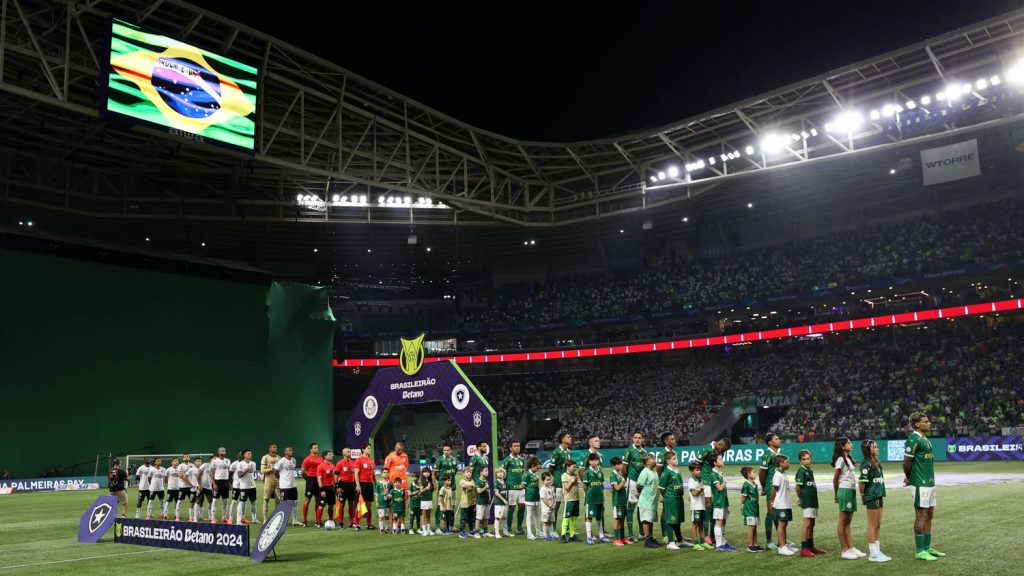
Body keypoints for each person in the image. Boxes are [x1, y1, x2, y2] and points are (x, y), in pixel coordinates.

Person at [904, 412, 944, 561]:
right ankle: (919, 550)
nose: (929, 423)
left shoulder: (925, 439)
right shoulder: (913, 439)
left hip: (930, 482)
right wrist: (909, 478)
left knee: (929, 515)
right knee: (921, 515)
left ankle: (928, 548)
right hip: (920, 484)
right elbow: (906, 461)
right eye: (926, 421)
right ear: (917, 424)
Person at [696, 437, 731, 546]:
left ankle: (713, 535)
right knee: (708, 507)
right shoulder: (706, 449)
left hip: (715, 481)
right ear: (720, 444)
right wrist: (700, 482)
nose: (723, 452)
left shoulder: (720, 451)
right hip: (706, 481)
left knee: (715, 508)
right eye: (723, 450)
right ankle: (706, 536)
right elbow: (697, 465)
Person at [833, 437, 864, 559]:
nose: (851, 444)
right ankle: (844, 550)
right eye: (849, 443)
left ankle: (851, 547)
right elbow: (835, 479)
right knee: (843, 520)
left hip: (850, 490)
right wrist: (836, 494)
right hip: (844, 490)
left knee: (848, 521)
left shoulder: (847, 458)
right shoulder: (840, 459)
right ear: (842, 446)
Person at [860, 440, 891, 562]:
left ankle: (877, 551)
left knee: (878, 524)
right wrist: (863, 496)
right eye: (875, 447)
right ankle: (873, 553)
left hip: (879, 495)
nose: (877, 448)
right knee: (872, 524)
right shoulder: (866, 464)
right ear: (869, 449)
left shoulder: (876, 462)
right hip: (872, 496)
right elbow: (862, 483)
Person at [794, 449, 826, 556]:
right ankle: (804, 548)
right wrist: (800, 498)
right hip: (807, 500)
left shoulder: (809, 471)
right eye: (804, 459)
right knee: (807, 523)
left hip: (813, 500)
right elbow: (798, 486)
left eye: (808, 459)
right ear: (800, 462)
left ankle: (810, 545)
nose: (807, 461)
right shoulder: (801, 471)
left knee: (812, 523)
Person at [621, 431, 648, 543]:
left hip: (642, 483)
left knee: (641, 507)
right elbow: (624, 467)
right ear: (632, 439)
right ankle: (631, 534)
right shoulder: (629, 451)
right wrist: (626, 479)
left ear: (643, 440)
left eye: (639, 438)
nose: (637, 439)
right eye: (635, 437)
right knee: (631, 507)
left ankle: (642, 533)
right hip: (632, 481)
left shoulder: (644, 452)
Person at [759, 433, 783, 550]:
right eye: (776, 439)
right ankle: (769, 541)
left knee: (778, 512)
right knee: (770, 512)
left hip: (778, 485)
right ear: (769, 442)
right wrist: (764, 487)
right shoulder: (767, 454)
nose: (779, 440)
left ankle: (781, 538)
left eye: (778, 438)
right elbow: (762, 473)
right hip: (770, 486)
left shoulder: (777, 453)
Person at [657, 451, 684, 550]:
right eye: (674, 459)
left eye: (676, 458)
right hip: (671, 499)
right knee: (670, 520)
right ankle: (670, 542)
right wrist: (665, 497)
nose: (676, 460)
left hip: (679, 498)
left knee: (677, 520)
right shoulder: (666, 472)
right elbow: (661, 487)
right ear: (668, 461)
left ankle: (680, 540)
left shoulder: (678, 470)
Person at [655, 432, 678, 544]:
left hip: (673, 486)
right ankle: (665, 534)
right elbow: (658, 469)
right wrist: (662, 483)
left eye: (674, 438)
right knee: (665, 510)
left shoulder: (673, 452)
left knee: (672, 510)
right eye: (672, 439)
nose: (674, 440)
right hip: (666, 486)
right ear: (666, 441)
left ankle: (673, 533)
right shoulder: (662, 454)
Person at [500, 440, 526, 536]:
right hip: (511, 487)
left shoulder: (522, 460)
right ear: (511, 448)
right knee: (512, 507)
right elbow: (502, 473)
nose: (517, 447)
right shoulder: (507, 460)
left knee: (522, 506)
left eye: (518, 446)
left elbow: (522, 472)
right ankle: (509, 528)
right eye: (515, 446)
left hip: (521, 487)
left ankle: (519, 528)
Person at [710, 453, 735, 551]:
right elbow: (719, 488)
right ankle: (719, 545)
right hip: (718, 502)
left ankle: (724, 542)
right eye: (720, 459)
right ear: (715, 463)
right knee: (719, 521)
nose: (722, 461)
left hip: (724, 501)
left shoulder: (719, 473)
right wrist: (724, 481)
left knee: (723, 521)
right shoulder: (713, 474)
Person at [771, 455, 795, 556]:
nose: (788, 463)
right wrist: (772, 501)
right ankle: (782, 547)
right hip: (781, 504)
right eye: (787, 462)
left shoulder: (783, 473)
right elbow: (774, 489)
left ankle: (784, 544)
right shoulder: (777, 475)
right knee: (781, 525)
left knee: (784, 524)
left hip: (785, 503)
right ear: (781, 463)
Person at [582, 452, 608, 545]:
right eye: (592, 460)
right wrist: (587, 495)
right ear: (589, 462)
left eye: (595, 460)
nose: (594, 462)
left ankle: (601, 536)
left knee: (599, 517)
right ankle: (589, 537)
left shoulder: (600, 472)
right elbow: (585, 485)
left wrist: (603, 499)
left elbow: (602, 486)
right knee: (589, 517)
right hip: (591, 499)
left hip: (599, 499)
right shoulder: (587, 472)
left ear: (598, 461)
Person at [273, 446, 302, 526]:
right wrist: (281, 478)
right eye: (290, 450)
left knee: (295, 502)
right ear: (285, 452)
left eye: (292, 450)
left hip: (293, 485)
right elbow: (276, 472)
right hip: (284, 486)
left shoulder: (294, 460)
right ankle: (282, 521)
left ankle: (295, 520)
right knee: (283, 503)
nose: (291, 451)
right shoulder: (281, 461)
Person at [636, 454, 660, 548]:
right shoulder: (644, 472)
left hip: (652, 501)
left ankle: (651, 538)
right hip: (646, 501)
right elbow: (639, 485)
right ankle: (647, 540)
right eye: (652, 459)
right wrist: (641, 494)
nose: (655, 460)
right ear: (647, 462)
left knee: (650, 520)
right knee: (646, 520)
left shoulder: (654, 471)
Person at [433, 444, 459, 529]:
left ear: (451, 451)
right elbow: (436, 474)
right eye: (444, 450)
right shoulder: (439, 460)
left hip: (453, 486)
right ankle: (437, 527)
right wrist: (442, 482)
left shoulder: (455, 460)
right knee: (440, 506)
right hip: (442, 487)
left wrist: (450, 482)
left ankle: (451, 525)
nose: (446, 452)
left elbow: (455, 471)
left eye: (448, 450)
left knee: (452, 506)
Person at [548, 433, 572, 524]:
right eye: (568, 437)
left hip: (568, 482)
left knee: (568, 504)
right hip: (559, 483)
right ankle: (553, 528)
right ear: (562, 440)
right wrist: (558, 477)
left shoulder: (569, 452)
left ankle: (568, 527)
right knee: (557, 505)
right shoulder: (556, 452)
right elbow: (551, 468)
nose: (570, 438)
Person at [739, 466, 762, 553]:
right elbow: (743, 497)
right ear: (748, 474)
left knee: (755, 526)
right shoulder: (746, 485)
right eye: (753, 472)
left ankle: (755, 545)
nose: (755, 473)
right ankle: (750, 545)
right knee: (751, 527)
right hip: (749, 510)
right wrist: (742, 505)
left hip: (755, 509)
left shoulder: (754, 484)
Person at [687, 462, 709, 550]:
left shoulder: (700, 479)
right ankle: (695, 543)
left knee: (701, 524)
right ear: (692, 471)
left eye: (699, 470)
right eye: (696, 470)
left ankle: (703, 542)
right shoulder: (691, 481)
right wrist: (700, 490)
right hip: (696, 506)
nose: (699, 471)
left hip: (701, 505)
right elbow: (694, 493)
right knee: (695, 524)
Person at [334, 447, 358, 529]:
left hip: (351, 485)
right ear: (344, 453)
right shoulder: (340, 463)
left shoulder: (353, 462)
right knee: (341, 504)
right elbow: (336, 475)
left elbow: (355, 474)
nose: (350, 452)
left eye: (350, 451)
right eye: (348, 451)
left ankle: (352, 522)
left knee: (351, 504)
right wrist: (337, 486)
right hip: (343, 485)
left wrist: (355, 484)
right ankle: (341, 522)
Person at [354, 444, 376, 529]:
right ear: (363, 449)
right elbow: (356, 473)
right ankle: (357, 524)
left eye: (370, 448)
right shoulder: (359, 460)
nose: (370, 450)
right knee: (360, 504)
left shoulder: (371, 460)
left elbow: (373, 474)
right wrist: (358, 485)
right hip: (362, 484)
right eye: (368, 448)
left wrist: (375, 483)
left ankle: (369, 524)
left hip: (369, 484)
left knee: (369, 505)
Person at [300, 443, 323, 527]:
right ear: (311, 450)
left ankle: (317, 520)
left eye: (317, 447)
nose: (317, 449)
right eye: (315, 448)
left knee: (318, 500)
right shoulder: (307, 459)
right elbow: (303, 471)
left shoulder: (321, 458)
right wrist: (308, 479)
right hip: (311, 480)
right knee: (307, 500)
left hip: (319, 480)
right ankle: (304, 520)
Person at [609, 456, 628, 546]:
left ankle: (622, 538)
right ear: (613, 465)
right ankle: (616, 539)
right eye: (618, 464)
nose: (620, 466)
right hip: (617, 502)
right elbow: (616, 488)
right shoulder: (613, 475)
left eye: (620, 464)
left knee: (622, 519)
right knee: (617, 519)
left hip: (623, 500)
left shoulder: (620, 474)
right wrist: (623, 482)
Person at [560, 460, 581, 542]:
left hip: (576, 499)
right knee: (566, 518)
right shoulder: (564, 476)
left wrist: (575, 480)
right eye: (573, 467)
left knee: (573, 519)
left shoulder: (575, 475)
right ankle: (563, 535)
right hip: (569, 500)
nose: (575, 468)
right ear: (568, 467)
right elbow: (567, 487)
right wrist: (572, 481)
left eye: (575, 467)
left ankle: (572, 536)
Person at [210, 447, 232, 523]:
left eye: (224, 450)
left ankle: (224, 517)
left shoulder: (228, 460)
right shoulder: (215, 461)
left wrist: (229, 483)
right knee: (215, 500)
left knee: (225, 501)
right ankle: (212, 518)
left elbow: (228, 473)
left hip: (225, 482)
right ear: (219, 452)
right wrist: (214, 484)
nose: (224, 451)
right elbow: (211, 473)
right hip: (217, 482)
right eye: (222, 450)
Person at [260, 444, 281, 524]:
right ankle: (265, 519)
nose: (276, 448)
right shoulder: (265, 457)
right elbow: (262, 470)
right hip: (268, 481)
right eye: (274, 447)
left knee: (278, 501)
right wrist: (272, 468)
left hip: (277, 482)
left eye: (276, 447)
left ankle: (276, 518)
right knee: (266, 500)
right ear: (270, 449)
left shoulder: (279, 457)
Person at [315, 450, 336, 529]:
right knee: (321, 505)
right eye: (330, 455)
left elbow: (334, 477)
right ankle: (318, 522)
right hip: (324, 488)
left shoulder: (332, 465)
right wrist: (322, 490)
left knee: (331, 506)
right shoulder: (321, 466)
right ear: (325, 456)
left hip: (331, 488)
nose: (332, 456)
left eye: (332, 454)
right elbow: (319, 479)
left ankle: (331, 521)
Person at [236, 450, 257, 525]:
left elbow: (252, 472)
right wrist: (247, 470)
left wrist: (249, 469)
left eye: (251, 453)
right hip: (244, 487)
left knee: (253, 503)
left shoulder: (253, 463)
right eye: (248, 453)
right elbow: (239, 475)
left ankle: (254, 519)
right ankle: (238, 520)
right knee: (242, 502)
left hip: (252, 486)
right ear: (244, 455)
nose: (250, 454)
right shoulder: (240, 464)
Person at [524, 456, 543, 540]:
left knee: (536, 514)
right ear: (532, 466)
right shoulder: (526, 474)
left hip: (536, 496)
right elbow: (523, 486)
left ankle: (538, 532)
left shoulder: (536, 473)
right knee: (529, 515)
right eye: (537, 468)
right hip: (529, 497)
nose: (537, 470)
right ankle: (529, 533)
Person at [457, 467, 476, 538]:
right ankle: (461, 532)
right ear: (463, 473)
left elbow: (474, 489)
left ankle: (471, 530)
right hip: (465, 503)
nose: (469, 474)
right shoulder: (462, 480)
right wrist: (471, 485)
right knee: (463, 518)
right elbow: (463, 485)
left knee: (471, 517)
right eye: (467, 472)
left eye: (470, 472)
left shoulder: (472, 480)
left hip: (472, 502)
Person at [492, 467, 510, 539]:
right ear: (496, 474)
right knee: (497, 518)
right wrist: (503, 500)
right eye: (498, 472)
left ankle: (505, 531)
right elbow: (496, 493)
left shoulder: (504, 482)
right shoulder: (496, 482)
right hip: (499, 503)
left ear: (504, 473)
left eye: (502, 472)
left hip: (504, 503)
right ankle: (497, 533)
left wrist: (506, 501)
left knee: (504, 518)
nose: (500, 473)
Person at [195, 456, 215, 521]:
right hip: (201, 486)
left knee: (211, 501)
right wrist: (199, 485)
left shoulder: (215, 468)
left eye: (215, 459)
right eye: (213, 459)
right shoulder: (205, 465)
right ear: (210, 460)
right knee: (198, 500)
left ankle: (210, 517)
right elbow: (198, 475)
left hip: (208, 487)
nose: (214, 460)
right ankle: (195, 517)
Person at [473, 466, 491, 539]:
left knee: (486, 518)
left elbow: (488, 491)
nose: (487, 472)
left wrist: (489, 498)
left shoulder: (486, 481)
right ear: (481, 472)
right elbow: (478, 491)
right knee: (478, 518)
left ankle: (485, 532)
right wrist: (485, 487)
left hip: (486, 502)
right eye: (486, 470)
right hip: (480, 503)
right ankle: (476, 532)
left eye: (487, 470)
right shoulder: (478, 481)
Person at [418, 467, 435, 535]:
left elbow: (434, 490)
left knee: (428, 515)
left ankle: (428, 530)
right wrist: (427, 488)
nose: (427, 474)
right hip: (424, 500)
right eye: (425, 472)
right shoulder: (421, 481)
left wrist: (433, 482)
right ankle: (424, 530)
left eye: (428, 472)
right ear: (422, 473)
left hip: (429, 499)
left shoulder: (430, 481)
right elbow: (421, 490)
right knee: (423, 515)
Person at [539, 472, 556, 540]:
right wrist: (549, 505)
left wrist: (553, 504)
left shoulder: (551, 488)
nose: (549, 481)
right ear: (543, 481)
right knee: (545, 522)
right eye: (547, 480)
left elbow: (554, 496)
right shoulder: (543, 489)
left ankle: (551, 534)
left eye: (550, 479)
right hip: (546, 509)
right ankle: (545, 535)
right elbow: (543, 499)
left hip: (551, 507)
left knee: (551, 521)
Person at [375, 468, 391, 533]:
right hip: (381, 502)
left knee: (387, 516)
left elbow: (391, 493)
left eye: (387, 473)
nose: (385, 474)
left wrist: (391, 499)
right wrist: (376, 502)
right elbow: (376, 493)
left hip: (388, 502)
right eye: (384, 472)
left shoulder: (390, 483)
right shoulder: (378, 484)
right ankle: (381, 528)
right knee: (381, 516)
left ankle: (386, 528)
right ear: (381, 474)